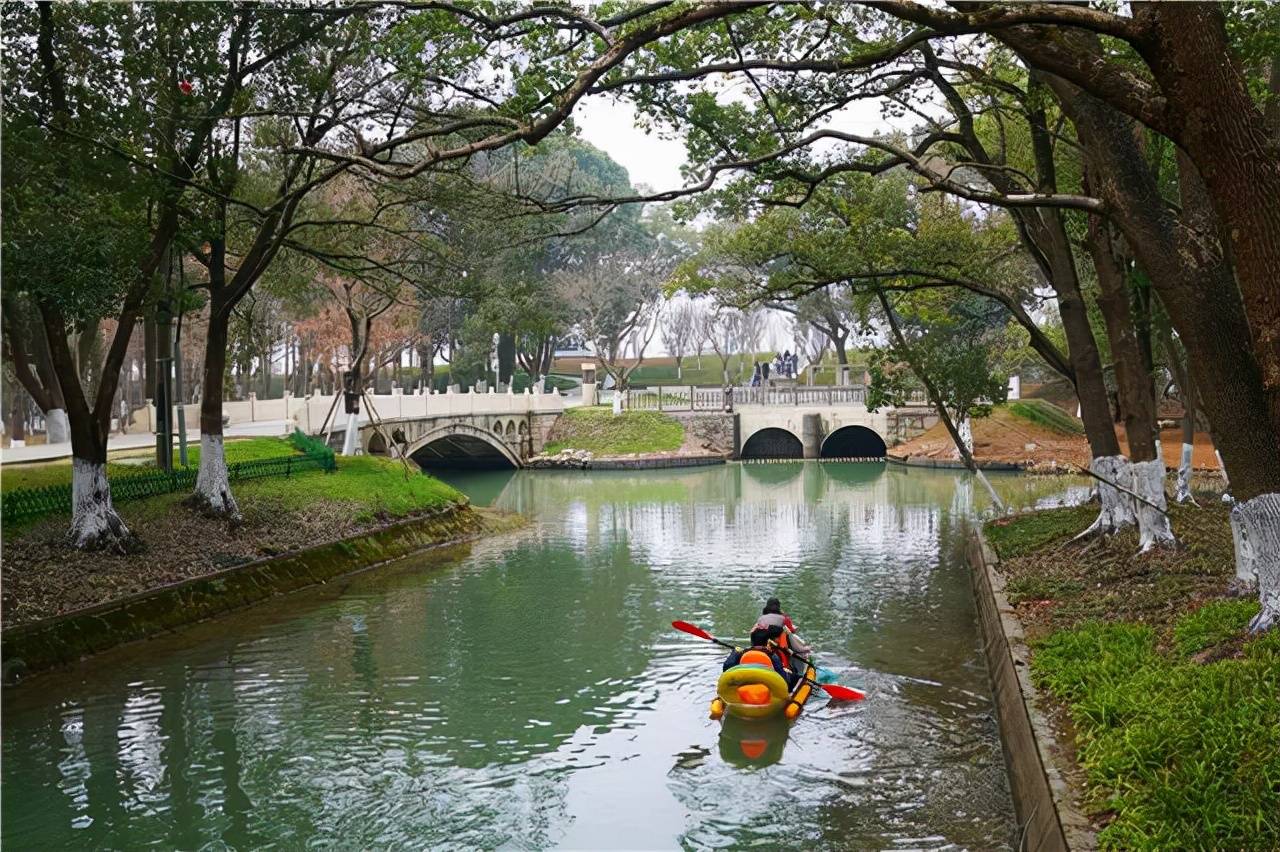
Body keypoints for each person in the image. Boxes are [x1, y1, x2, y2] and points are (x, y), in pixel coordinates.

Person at [754, 597, 812, 672]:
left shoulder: (761, 619)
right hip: (779, 650)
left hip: (762, 648)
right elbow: (791, 632)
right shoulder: (784, 619)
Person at [723, 626, 790, 683]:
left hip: (745, 685)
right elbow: (783, 679)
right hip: (767, 687)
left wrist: (734, 653)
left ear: (752, 641)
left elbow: (726, 669)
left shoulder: (741, 653)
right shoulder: (772, 656)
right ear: (767, 642)